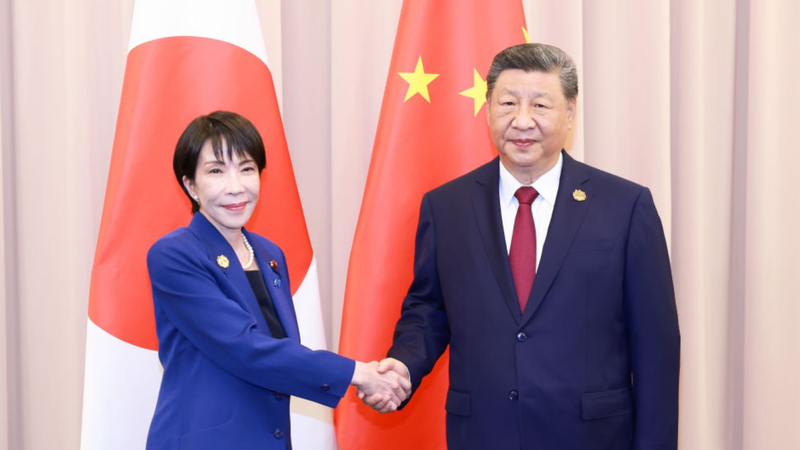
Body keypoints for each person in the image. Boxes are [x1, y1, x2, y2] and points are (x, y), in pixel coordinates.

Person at [366, 43, 680, 449]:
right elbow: (429, 309)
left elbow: (657, 346)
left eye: (540, 106)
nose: (522, 120)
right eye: (508, 103)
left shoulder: (625, 206)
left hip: (592, 436)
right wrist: (403, 365)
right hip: (483, 433)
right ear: (488, 109)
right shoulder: (446, 206)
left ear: (570, 112)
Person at [145, 111, 410, 450]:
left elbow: (282, 351)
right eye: (216, 171)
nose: (236, 187)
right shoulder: (175, 254)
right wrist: (359, 374)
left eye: (247, 168)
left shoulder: (270, 255)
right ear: (190, 185)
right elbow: (244, 348)